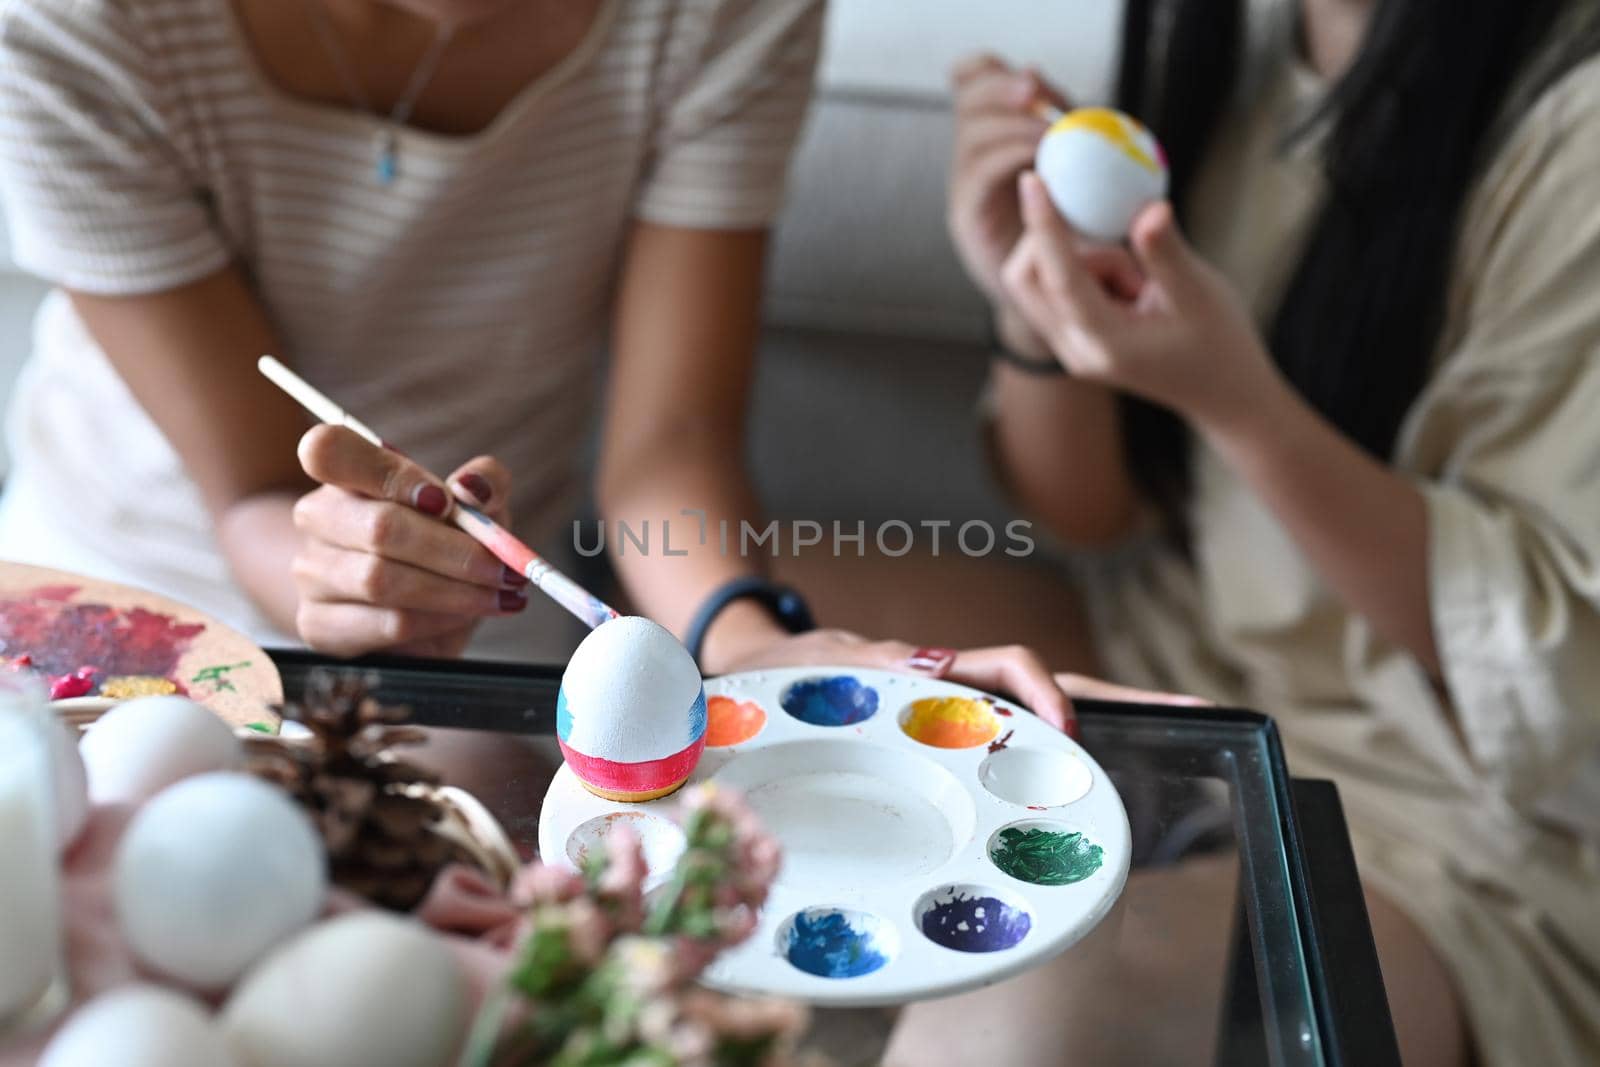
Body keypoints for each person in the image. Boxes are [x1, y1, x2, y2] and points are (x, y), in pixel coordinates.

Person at [0, 0, 1077, 720]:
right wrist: (348, 583)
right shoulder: (69, 24)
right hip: (115, 577)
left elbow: (670, 441)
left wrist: (738, 638)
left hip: (495, 611)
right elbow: (252, 485)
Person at [900, 0, 1600, 1064]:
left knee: (1017, 1022)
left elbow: (1553, 682)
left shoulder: (1570, 128)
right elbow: (1094, 513)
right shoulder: (1253, 50)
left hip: (1448, 811)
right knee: (711, 626)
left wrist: (1242, 403)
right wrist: (1031, 300)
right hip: (1191, 665)